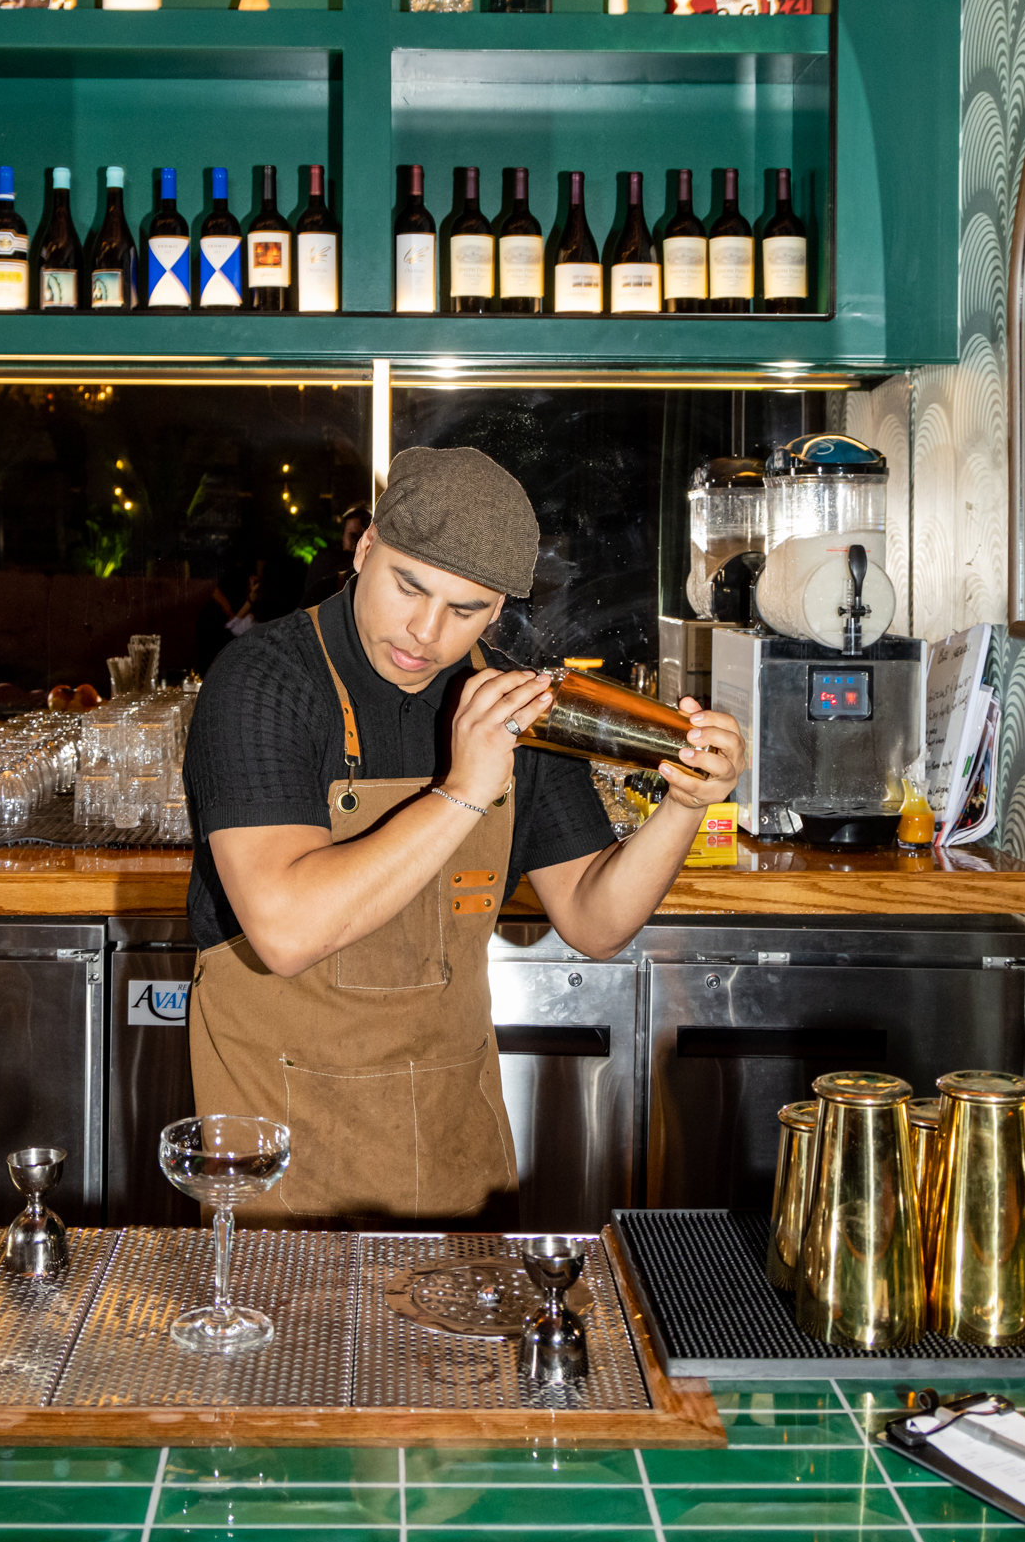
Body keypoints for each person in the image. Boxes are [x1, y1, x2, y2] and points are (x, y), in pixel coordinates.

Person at [181, 446, 745, 1223]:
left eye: (466, 609)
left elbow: (594, 918)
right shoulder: (264, 682)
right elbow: (283, 929)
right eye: (409, 587)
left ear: (499, 609)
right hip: (279, 1169)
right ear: (366, 547)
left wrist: (685, 806)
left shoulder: (506, 698)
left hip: (454, 1159)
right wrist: (464, 791)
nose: (425, 631)